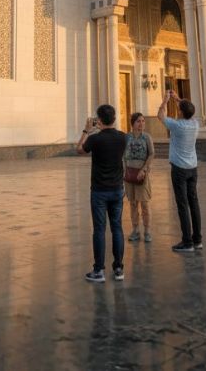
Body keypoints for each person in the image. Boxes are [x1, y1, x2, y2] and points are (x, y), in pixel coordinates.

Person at [78, 104, 128, 283]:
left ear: (99, 120)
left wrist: (86, 130)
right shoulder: (123, 137)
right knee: (117, 228)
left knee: (99, 230)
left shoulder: (95, 139)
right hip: (117, 189)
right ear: (114, 118)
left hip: (99, 191)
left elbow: (79, 150)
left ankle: (99, 270)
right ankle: (119, 268)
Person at [159, 89, 203, 253]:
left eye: (179, 109)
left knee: (182, 204)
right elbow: (188, 110)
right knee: (194, 203)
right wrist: (178, 99)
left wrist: (165, 101)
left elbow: (160, 116)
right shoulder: (195, 124)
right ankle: (197, 239)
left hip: (179, 169)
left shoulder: (177, 126)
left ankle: (187, 242)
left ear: (181, 112)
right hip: (193, 168)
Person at [123, 112, 154, 243]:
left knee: (145, 204)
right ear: (133, 123)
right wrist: (124, 169)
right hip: (129, 173)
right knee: (133, 203)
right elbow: (122, 155)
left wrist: (144, 169)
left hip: (142, 174)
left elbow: (151, 154)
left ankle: (147, 230)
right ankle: (135, 230)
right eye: (138, 121)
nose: (141, 124)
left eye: (143, 121)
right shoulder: (127, 137)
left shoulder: (147, 137)